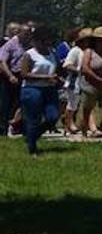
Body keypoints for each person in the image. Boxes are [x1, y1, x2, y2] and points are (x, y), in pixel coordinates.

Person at [17, 24, 62, 155]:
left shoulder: (52, 53)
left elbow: (57, 69)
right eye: (41, 41)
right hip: (32, 89)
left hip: (49, 89)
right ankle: (32, 148)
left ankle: (33, 135)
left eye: (46, 40)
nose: (44, 43)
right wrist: (45, 77)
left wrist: (58, 78)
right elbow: (24, 74)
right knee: (33, 118)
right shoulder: (29, 54)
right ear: (35, 41)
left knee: (53, 117)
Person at [79, 26, 102, 139]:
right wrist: (98, 79)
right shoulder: (89, 52)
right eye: (100, 39)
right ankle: (84, 132)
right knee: (87, 110)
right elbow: (85, 68)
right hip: (90, 85)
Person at [1, 22, 33, 137]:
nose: (28, 36)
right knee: (6, 104)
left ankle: (19, 127)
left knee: (22, 103)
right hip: (9, 77)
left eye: (29, 34)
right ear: (20, 33)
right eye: (25, 34)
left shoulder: (28, 45)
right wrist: (10, 76)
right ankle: (3, 130)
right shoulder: (11, 44)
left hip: (23, 76)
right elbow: (2, 62)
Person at [59, 29, 84, 136]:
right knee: (71, 105)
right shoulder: (75, 50)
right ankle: (67, 126)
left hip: (82, 81)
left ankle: (71, 125)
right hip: (74, 81)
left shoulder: (85, 50)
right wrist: (79, 70)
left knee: (75, 106)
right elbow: (66, 65)